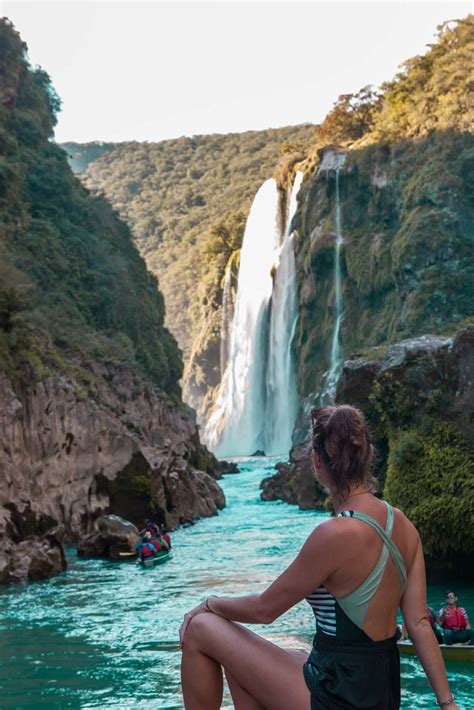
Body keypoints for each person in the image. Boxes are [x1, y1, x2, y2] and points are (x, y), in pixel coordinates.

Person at [179, 405, 460, 710]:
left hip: (340, 695)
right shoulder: (403, 525)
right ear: (367, 454)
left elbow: (265, 609)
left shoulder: (335, 534)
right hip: (379, 693)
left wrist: (208, 604)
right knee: (240, 663)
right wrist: (447, 704)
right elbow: (418, 622)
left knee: (202, 628)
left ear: (316, 460)